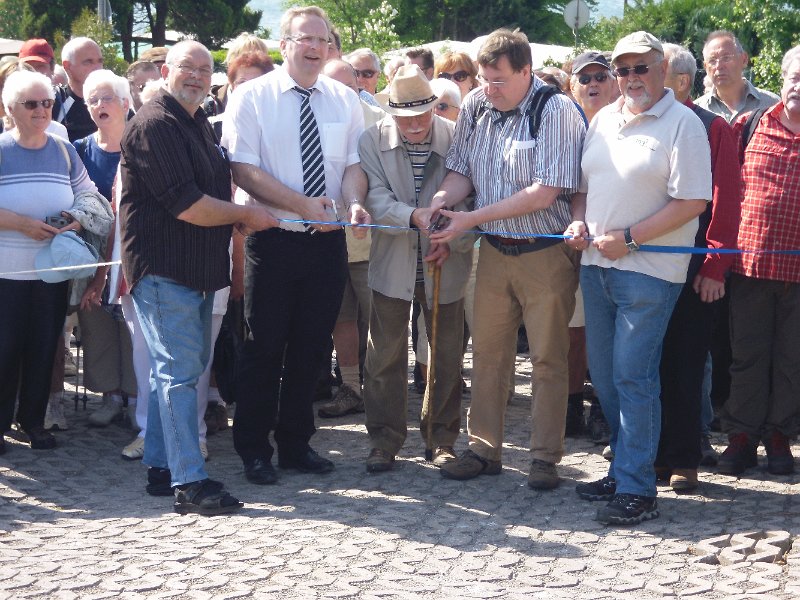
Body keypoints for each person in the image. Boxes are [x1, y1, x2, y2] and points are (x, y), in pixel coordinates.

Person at [119, 40, 277, 515]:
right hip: (164, 268)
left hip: (196, 268)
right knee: (179, 374)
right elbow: (187, 205)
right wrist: (246, 215)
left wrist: (236, 218)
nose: (196, 77)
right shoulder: (154, 123)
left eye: (205, 70)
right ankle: (189, 483)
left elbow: (210, 193)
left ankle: (161, 467)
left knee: (173, 372)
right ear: (165, 71)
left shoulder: (195, 121)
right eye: (187, 67)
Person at [427, 28, 585, 490]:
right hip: (494, 250)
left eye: (498, 80)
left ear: (526, 71)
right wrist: (441, 202)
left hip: (545, 252)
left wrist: (470, 217)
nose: (488, 89)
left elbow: (545, 192)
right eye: (484, 78)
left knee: (547, 359)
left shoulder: (555, 110)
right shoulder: (476, 104)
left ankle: (544, 458)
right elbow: (461, 170)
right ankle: (483, 449)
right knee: (488, 355)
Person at [565, 31, 711, 525]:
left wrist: (629, 238)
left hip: (650, 272)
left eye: (640, 68)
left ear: (663, 69)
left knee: (633, 376)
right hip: (597, 266)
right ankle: (624, 468)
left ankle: (637, 488)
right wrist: (579, 222)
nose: (630, 78)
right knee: (606, 378)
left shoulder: (684, 123)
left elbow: (693, 201)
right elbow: (583, 188)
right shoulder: (602, 119)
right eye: (622, 70)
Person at [222, 5, 369, 485]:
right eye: (304, 39)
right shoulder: (252, 97)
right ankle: (253, 449)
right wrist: (302, 206)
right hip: (273, 240)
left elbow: (353, 166)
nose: (314, 47)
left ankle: (296, 443)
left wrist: (353, 203)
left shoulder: (344, 99)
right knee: (263, 349)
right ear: (283, 45)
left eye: (321, 40)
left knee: (311, 348)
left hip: (327, 243)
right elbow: (243, 169)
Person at [357, 64, 473, 472]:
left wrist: (450, 240)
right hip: (393, 263)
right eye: (405, 118)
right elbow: (374, 197)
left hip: (446, 262)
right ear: (391, 112)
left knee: (446, 356)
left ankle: (442, 440)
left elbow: (471, 198)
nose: (416, 124)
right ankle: (383, 441)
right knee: (384, 356)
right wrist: (411, 216)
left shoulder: (457, 136)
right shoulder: (371, 139)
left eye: (423, 114)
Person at [654, 43, 742, 491]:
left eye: (656, 70)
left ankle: (684, 459)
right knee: (646, 363)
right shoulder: (639, 121)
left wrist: (714, 266)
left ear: (682, 81)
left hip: (694, 265)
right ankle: (650, 455)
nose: (643, 78)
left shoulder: (712, 127)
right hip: (645, 259)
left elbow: (727, 200)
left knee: (686, 363)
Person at [0, 70, 96, 453]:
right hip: (6, 272)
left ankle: (33, 422)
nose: (42, 110)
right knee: (5, 349)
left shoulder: (63, 149)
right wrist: (21, 224)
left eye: (47, 102)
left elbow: (89, 195)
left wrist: (78, 218)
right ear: (10, 109)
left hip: (51, 272)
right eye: (31, 104)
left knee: (44, 347)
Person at [716, 45, 800, 477]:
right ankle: (742, 436)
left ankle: (779, 434)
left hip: (798, 276)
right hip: (750, 267)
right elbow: (725, 193)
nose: (799, 86)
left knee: (792, 360)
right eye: (795, 77)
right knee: (746, 355)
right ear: (783, 80)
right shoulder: (750, 126)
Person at [315, 58, 383, 419]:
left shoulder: (378, 122)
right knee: (341, 317)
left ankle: (380, 388)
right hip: (328, 239)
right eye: (333, 87)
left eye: (348, 86)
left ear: (358, 86)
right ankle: (351, 387)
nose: (341, 93)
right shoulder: (311, 116)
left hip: (371, 240)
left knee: (378, 318)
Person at [70, 69, 137, 430]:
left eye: (106, 98)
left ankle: (137, 398)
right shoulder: (80, 150)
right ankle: (110, 396)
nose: (99, 105)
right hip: (93, 249)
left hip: (133, 248)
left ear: (125, 103)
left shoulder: (142, 143)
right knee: (96, 322)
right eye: (92, 100)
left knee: (132, 324)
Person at [565, 51, 616, 443]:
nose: (593, 84)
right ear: (572, 86)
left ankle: (602, 408)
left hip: (614, 246)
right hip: (564, 240)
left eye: (601, 76)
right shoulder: (563, 123)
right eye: (585, 78)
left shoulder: (623, 122)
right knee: (571, 328)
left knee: (604, 334)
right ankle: (570, 407)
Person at [696, 30, 780, 124]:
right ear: (705, 66)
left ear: (744, 59)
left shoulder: (771, 104)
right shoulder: (697, 112)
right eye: (712, 60)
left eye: (726, 58)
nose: (719, 66)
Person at [54, 37, 104, 142]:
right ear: (67, 66)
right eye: (88, 62)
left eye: (100, 61)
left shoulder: (116, 100)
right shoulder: (55, 102)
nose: (97, 68)